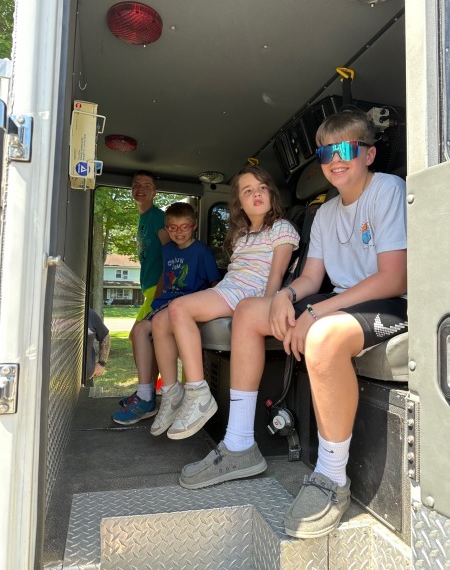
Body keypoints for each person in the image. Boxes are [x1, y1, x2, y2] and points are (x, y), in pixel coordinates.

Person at [178, 108, 408, 541]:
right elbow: (311, 278)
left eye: (345, 149)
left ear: (369, 154)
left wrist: (318, 312)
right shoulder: (324, 213)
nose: (335, 159)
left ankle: (331, 477)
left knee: (322, 336)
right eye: (325, 152)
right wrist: (285, 296)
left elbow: (395, 278)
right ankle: (240, 445)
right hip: (342, 299)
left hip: (391, 302)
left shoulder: (387, 190)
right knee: (250, 310)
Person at [150, 164, 300, 440]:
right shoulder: (242, 235)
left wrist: (265, 307)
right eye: (248, 191)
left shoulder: (281, 228)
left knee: (179, 307)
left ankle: (198, 392)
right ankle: (171, 393)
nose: (256, 194)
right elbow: (235, 272)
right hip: (231, 288)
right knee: (160, 321)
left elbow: (276, 275)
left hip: (250, 294)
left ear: (271, 194)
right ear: (239, 202)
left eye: (262, 188)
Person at [112, 202, 221, 424]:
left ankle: (148, 396)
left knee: (141, 331)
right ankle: (146, 392)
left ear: (194, 227)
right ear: (166, 228)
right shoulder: (167, 250)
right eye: (173, 228)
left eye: (184, 227)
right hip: (165, 303)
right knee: (139, 332)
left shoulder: (201, 251)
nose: (178, 232)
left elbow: (214, 283)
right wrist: (155, 300)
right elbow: (165, 278)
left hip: (188, 305)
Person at [128, 171, 171, 410]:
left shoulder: (157, 218)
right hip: (150, 289)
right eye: (136, 185)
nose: (141, 189)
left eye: (147, 186)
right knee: (144, 339)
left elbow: (170, 252)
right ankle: (148, 392)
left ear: (154, 192)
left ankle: (147, 395)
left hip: (158, 289)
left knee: (138, 335)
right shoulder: (142, 218)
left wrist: (161, 289)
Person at [86, 308, 111, 386]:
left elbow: (105, 336)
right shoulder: (53, 311)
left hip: (85, 381)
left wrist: (102, 363)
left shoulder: (89, 314)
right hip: (55, 382)